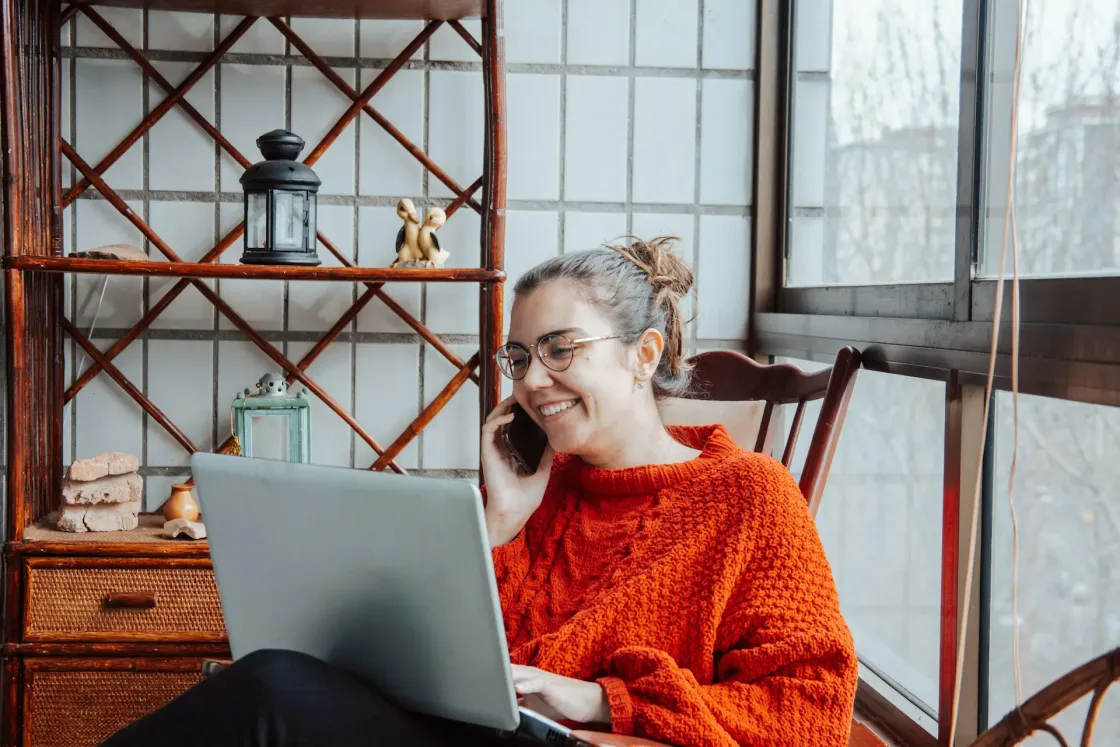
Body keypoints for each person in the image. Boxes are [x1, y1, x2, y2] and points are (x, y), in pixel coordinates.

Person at [102, 237, 858, 747]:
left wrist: (600, 698)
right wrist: (498, 519)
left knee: (270, 694)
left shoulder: (749, 496)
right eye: (520, 355)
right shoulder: (536, 490)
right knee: (274, 679)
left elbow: (812, 715)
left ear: (643, 353)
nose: (531, 380)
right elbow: (465, 674)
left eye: (561, 349)